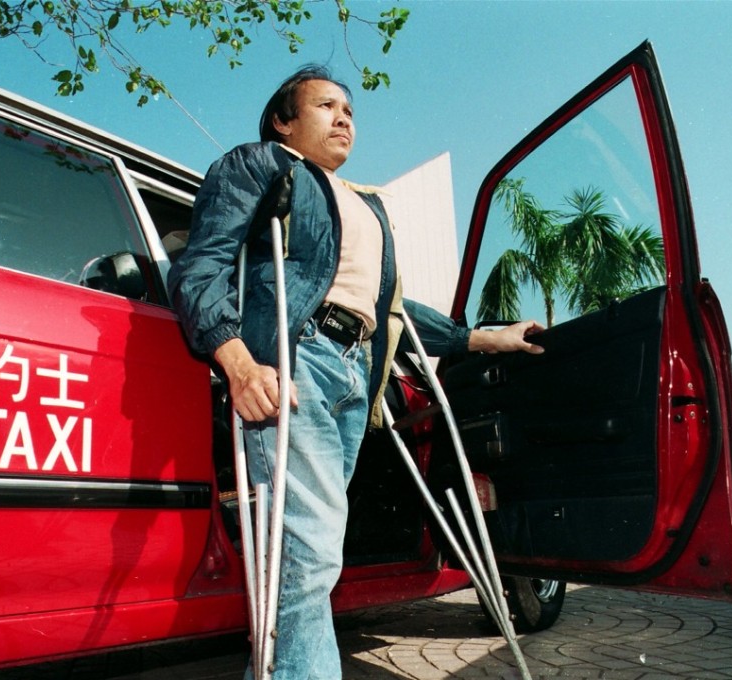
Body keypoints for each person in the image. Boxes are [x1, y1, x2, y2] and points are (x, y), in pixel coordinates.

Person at [168, 65, 545, 679]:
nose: (344, 118)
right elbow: (200, 267)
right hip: (297, 360)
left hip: (355, 372)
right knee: (310, 552)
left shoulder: (368, 205)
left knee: (309, 552)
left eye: (350, 109)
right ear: (283, 121)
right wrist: (239, 361)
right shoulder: (263, 165)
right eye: (325, 106)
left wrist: (484, 337)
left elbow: (392, 309)